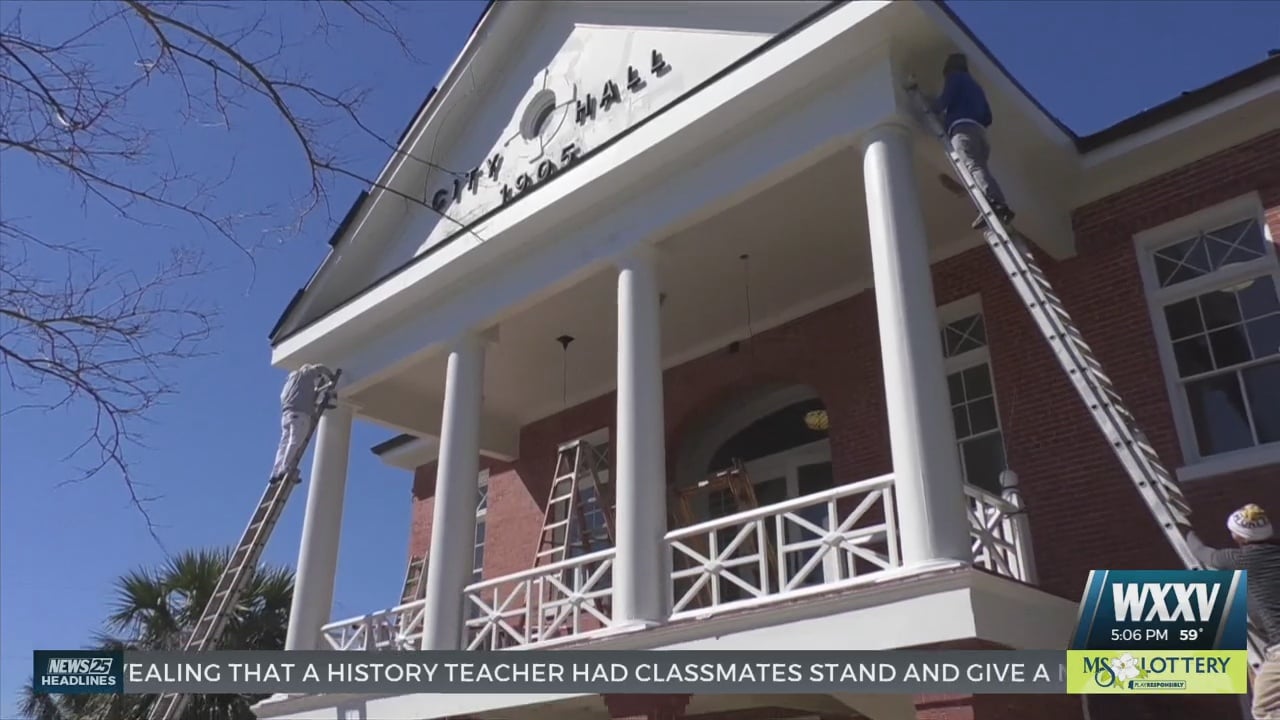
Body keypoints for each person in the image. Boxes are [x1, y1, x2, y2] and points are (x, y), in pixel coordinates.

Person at [1186, 504, 1280, 719]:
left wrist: (1186, 532)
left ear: (1240, 537)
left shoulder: (1239, 559)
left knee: (1263, 709)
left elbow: (1202, 553)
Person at [929, 53, 1014, 230]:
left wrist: (932, 108)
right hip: (980, 134)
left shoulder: (955, 78)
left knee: (972, 167)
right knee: (978, 169)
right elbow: (988, 117)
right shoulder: (976, 87)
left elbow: (946, 100)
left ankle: (996, 204)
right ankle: (987, 208)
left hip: (963, 130)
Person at [270, 363, 338, 483]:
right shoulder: (305, 374)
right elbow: (320, 367)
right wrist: (331, 377)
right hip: (300, 416)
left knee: (284, 444)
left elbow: (303, 399)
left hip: (287, 415)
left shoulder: (290, 384)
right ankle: (285, 469)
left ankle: (276, 471)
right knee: (295, 442)